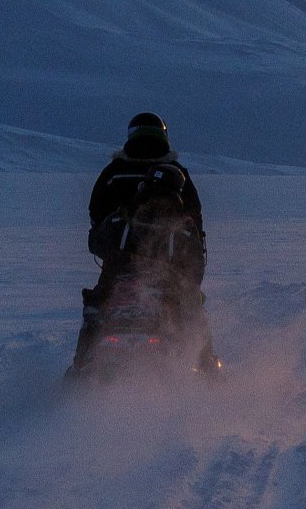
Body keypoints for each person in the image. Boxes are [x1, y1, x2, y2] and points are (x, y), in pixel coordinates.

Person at [72, 113, 216, 376]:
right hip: (164, 278)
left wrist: (110, 241)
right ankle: (211, 379)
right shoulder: (179, 183)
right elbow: (197, 230)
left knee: (94, 309)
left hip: (120, 272)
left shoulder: (113, 175)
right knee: (194, 313)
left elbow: (96, 222)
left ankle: (78, 372)